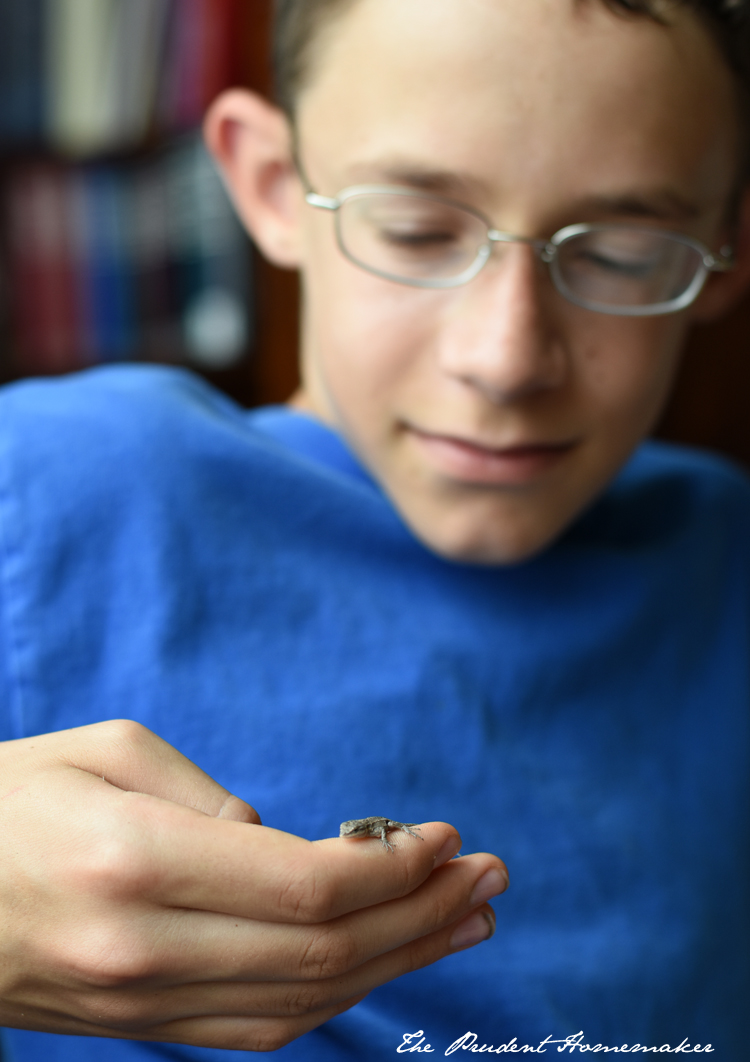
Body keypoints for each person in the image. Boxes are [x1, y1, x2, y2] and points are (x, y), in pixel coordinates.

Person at [1, 0, 749, 1058]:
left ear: (727, 245)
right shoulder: (43, 489)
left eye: (624, 252)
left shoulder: (727, 564)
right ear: (269, 186)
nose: (505, 358)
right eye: (416, 231)